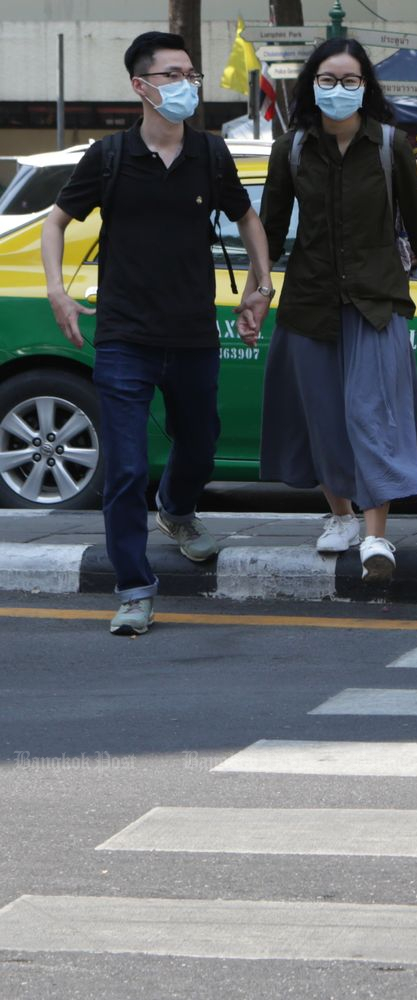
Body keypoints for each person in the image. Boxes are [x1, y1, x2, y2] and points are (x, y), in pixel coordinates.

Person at [42, 30, 271, 637]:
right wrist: (57, 290)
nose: (187, 84)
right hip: (123, 336)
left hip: (193, 331)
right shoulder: (110, 156)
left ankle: (177, 508)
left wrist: (261, 286)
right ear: (141, 86)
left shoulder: (211, 154)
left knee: (201, 440)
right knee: (123, 466)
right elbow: (56, 222)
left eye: (190, 73)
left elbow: (249, 220)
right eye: (173, 74)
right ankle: (135, 588)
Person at [258, 38, 417, 583]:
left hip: (377, 302)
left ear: (365, 86)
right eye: (328, 79)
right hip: (309, 300)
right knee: (323, 418)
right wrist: (256, 292)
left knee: (374, 415)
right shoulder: (291, 149)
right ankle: (340, 515)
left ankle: (376, 537)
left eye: (349, 80)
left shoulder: (391, 146)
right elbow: (270, 232)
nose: (339, 90)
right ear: (311, 86)